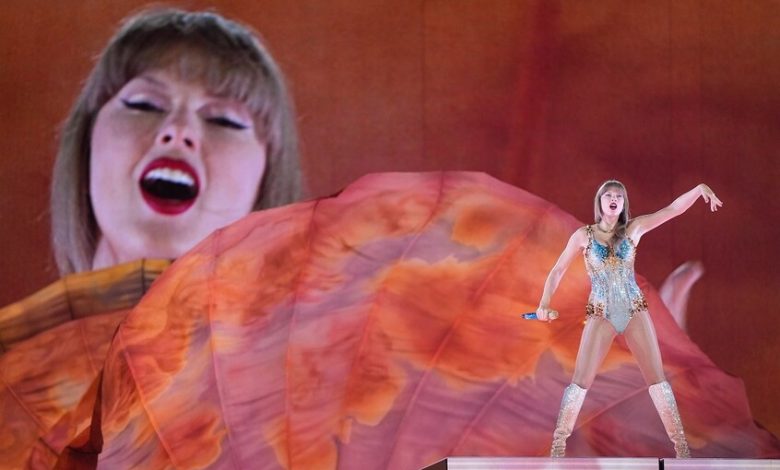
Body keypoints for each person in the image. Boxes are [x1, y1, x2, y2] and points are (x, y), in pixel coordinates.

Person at [0, 8, 302, 466]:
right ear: (86, 145)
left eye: (224, 120)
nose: (178, 131)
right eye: (144, 105)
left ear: (266, 185)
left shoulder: (321, 403)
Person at [535, 179, 722, 458]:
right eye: (608, 195)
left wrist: (698, 190)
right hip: (601, 313)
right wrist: (544, 303)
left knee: (657, 379)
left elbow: (672, 209)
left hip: (634, 310)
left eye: (619, 196)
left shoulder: (635, 228)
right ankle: (558, 444)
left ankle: (681, 447)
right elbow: (558, 270)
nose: (614, 199)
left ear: (623, 204)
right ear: (599, 202)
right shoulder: (583, 236)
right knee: (581, 380)